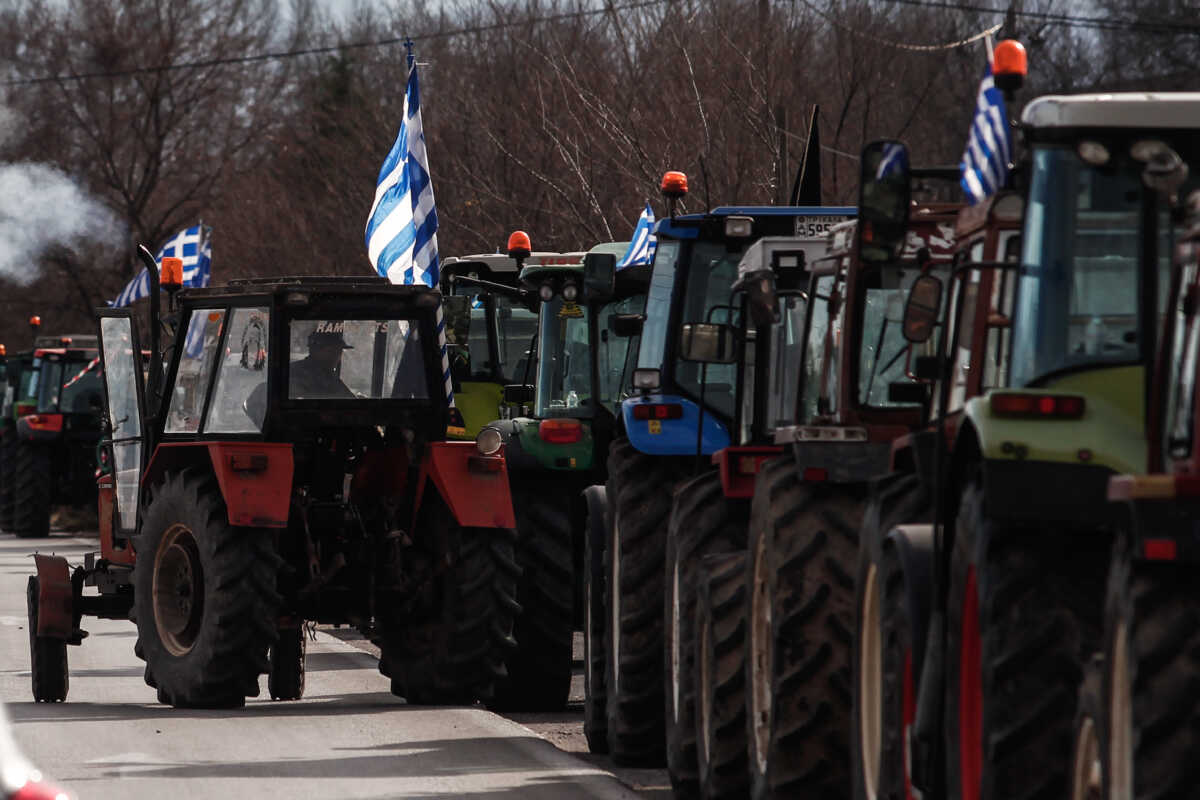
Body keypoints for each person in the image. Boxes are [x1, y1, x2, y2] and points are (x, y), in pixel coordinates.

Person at [290, 322, 355, 399]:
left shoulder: (329, 375)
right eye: (330, 351)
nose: (336, 356)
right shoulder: (295, 372)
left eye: (339, 351)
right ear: (314, 350)